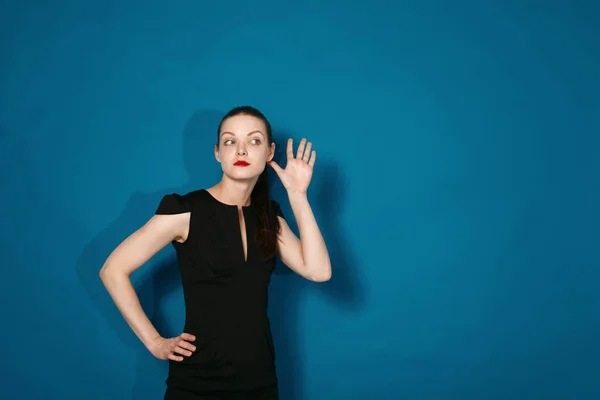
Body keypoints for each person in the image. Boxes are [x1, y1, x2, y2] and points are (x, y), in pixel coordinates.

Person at [99, 105, 332, 399]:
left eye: (254, 141)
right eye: (230, 141)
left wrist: (297, 195)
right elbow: (112, 270)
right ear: (217, 153)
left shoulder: (269, 218)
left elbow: (319, 271)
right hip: (197, 383)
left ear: (270, 152)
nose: (241, 151)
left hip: (259, 382)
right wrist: (155, 342)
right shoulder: (185, 210)